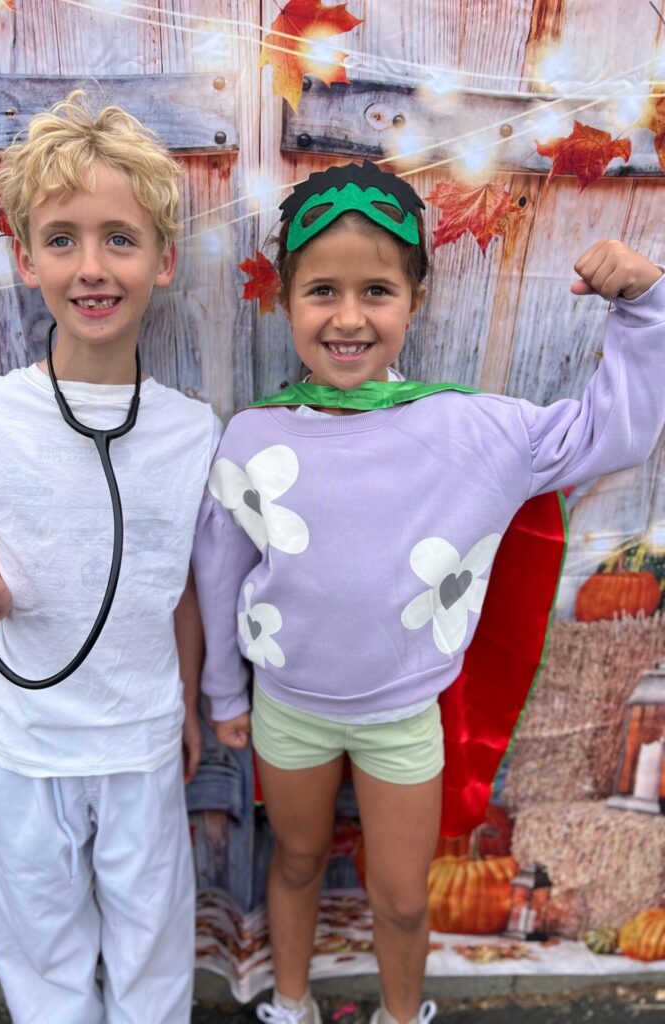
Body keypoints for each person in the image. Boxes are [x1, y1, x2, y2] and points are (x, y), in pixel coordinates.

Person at [192, 160, 665, 1024]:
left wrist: (645, 309)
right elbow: (220, 569)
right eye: (322, 291)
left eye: (376, 291)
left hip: (403, 719)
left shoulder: (475, 430)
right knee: (294, 863)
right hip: (288, 709)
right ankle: (290, 1004)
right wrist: (225, 692)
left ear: (416, 299)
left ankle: (403, 1016)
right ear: (285, 300)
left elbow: (615, 434)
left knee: (404, 896)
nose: (348, 317)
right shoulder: (252, 438)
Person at [0, 92, 220, 1024]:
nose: (91, 267)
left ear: (163, 260)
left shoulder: (192, 432)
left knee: (151, 962)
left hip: (140, 742)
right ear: (26, 259)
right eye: (62, 240)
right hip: (25, 745)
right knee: (45, 964)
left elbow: (179, 586)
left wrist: (186, 701)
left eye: (119, 239)